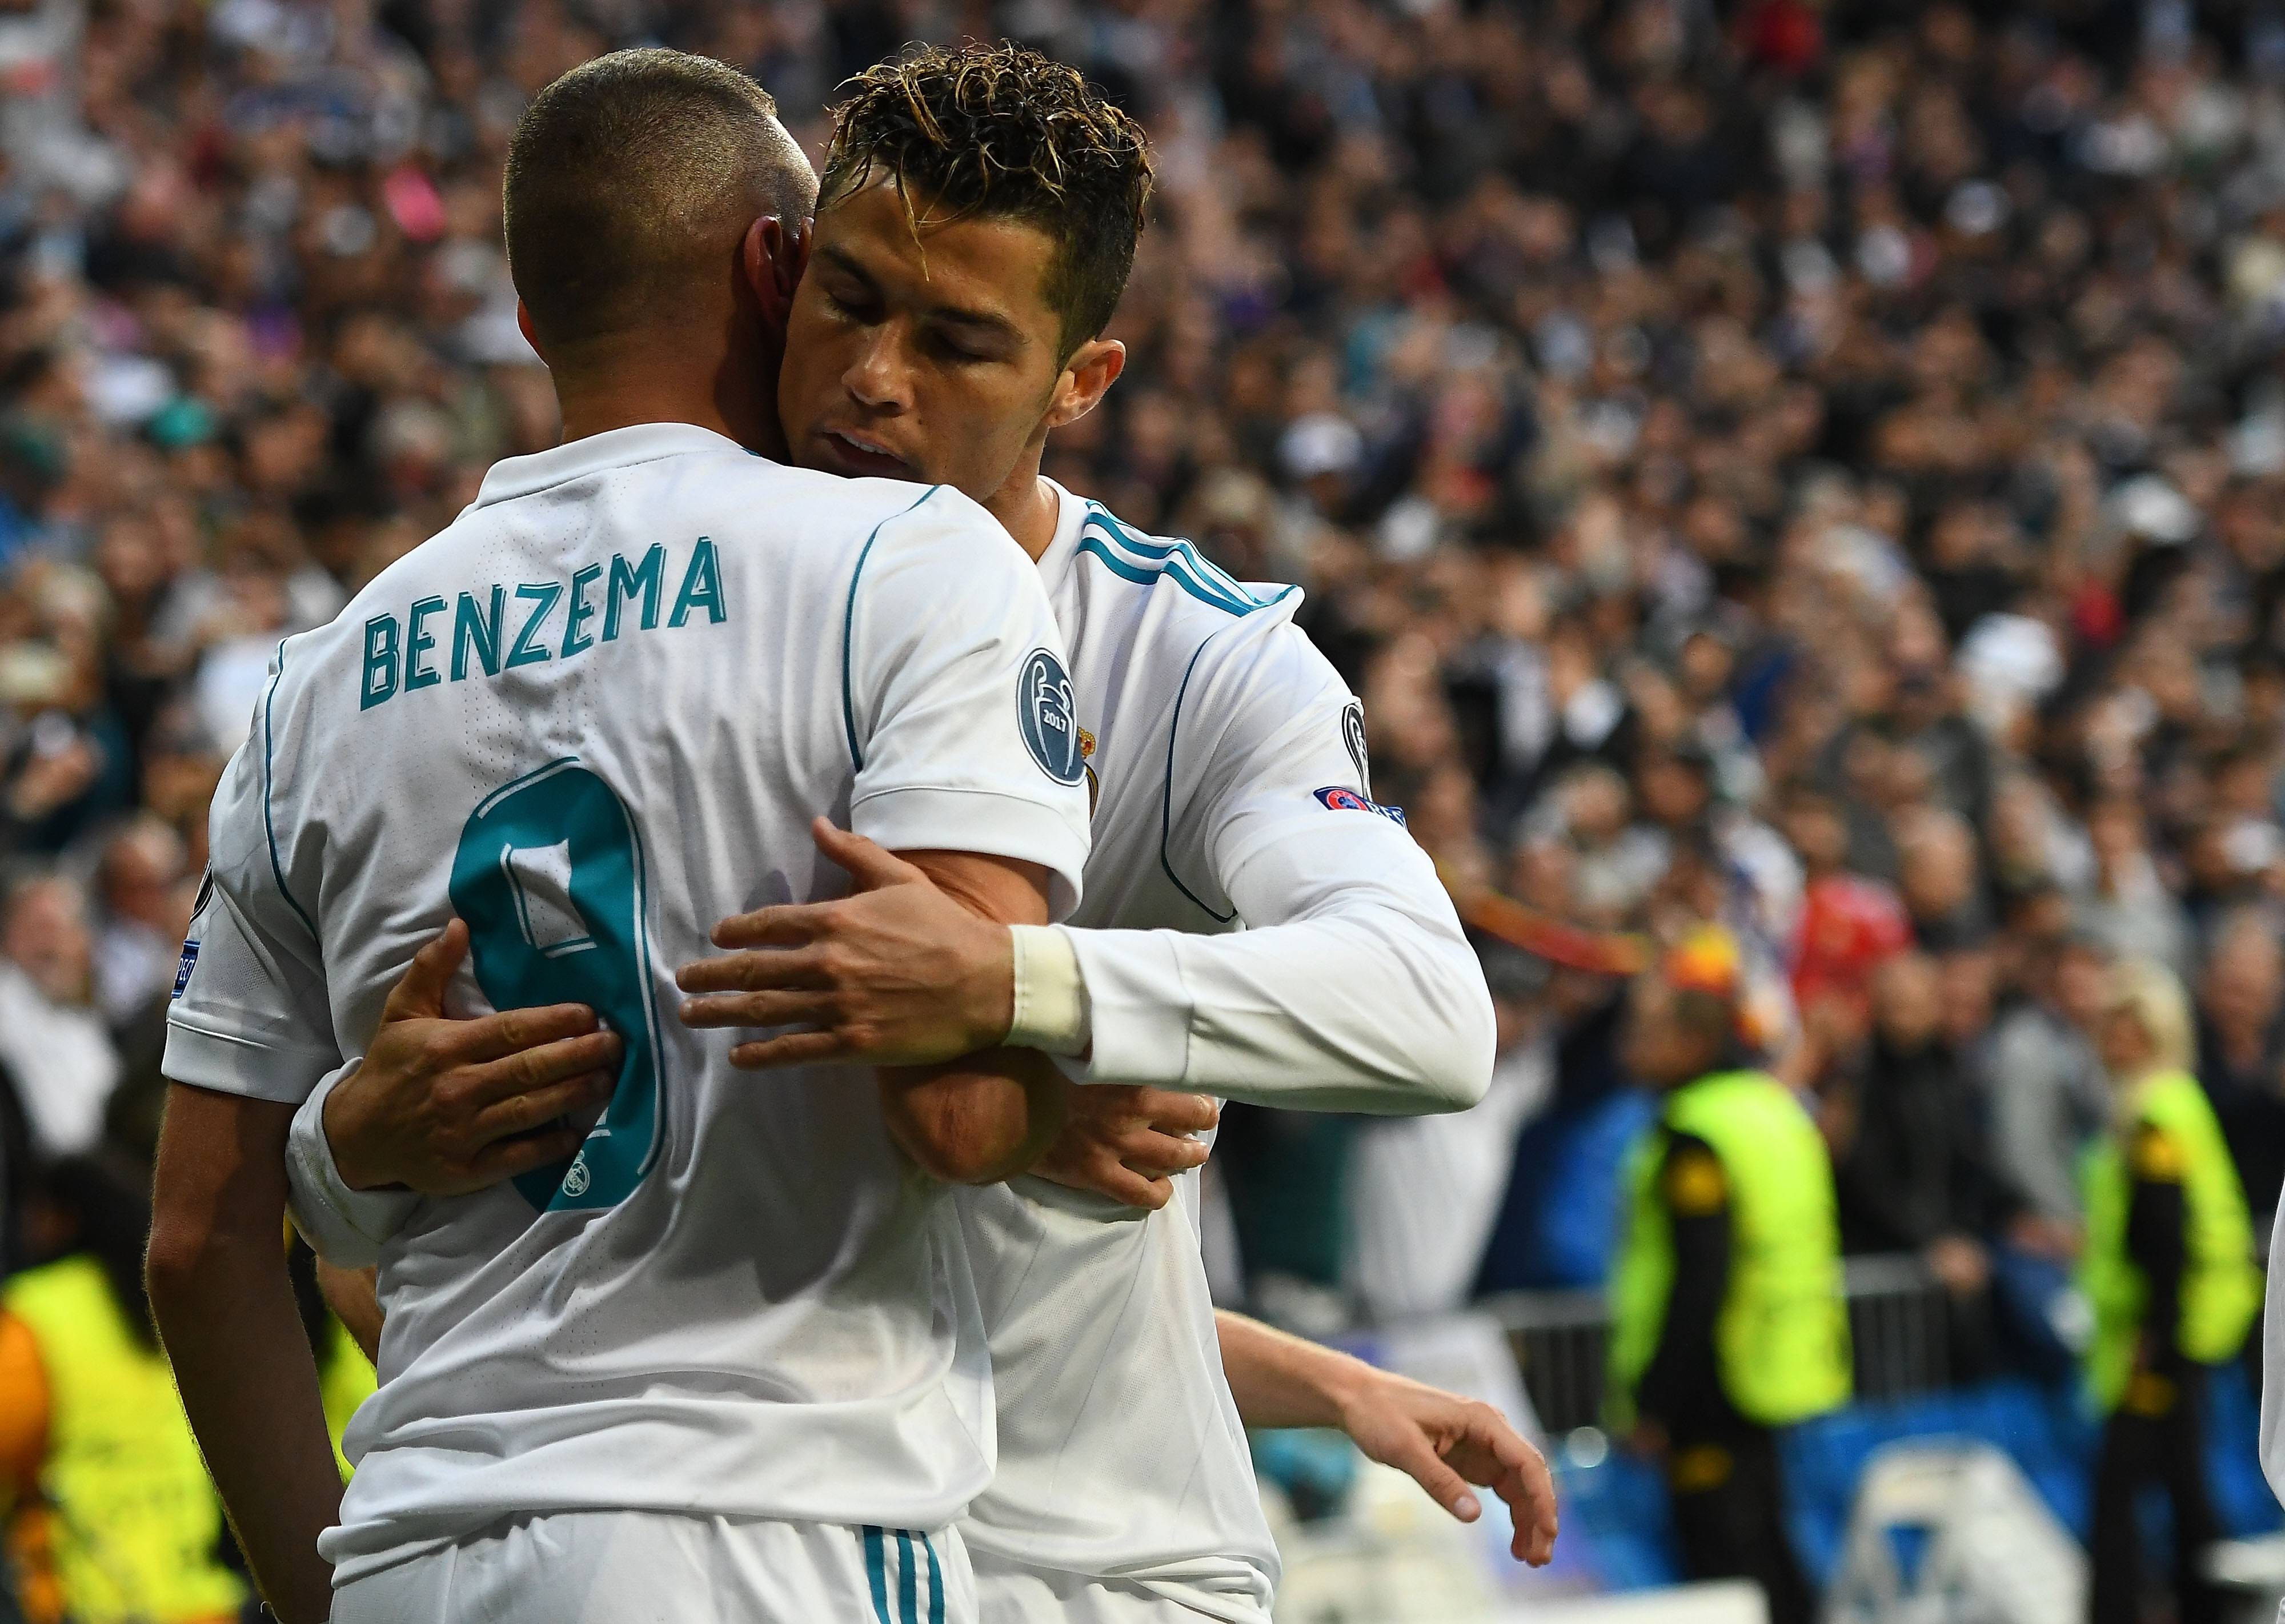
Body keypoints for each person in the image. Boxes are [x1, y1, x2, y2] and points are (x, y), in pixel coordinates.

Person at [283, 42, 1556, 1624]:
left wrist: (1022, 995)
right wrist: (344, 1151)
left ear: (1081, 381)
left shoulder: (1194, 660)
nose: (876, 378)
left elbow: (1427, 1008)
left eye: (956, 342)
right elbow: (560, 1240)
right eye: (850, 301)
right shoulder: (655, 616)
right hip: (791, 1534)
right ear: (782, 273)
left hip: (1098, 1571)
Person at [145, 49, 1093, 1624]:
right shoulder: (911, 559)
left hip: (415, 1539)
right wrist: (1092, 1051)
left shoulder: (314, 683)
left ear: (533, 316)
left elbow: (196, 1242)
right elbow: (964, 1117)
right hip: (767, 1524)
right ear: (777, 267)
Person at [1606, 926, 1848, 1624]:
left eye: (1648, 1033)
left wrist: (1655, 1401)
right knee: (1771, 1551)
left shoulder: (1697, 1132)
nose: (1630, 1048)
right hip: (1775, 1366)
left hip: (1712, 1384)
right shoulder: (1771, 1108)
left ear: (1693, 1041)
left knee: (1724, 1567)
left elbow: (1699, 1276)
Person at [2082, 960, 2259, 1624]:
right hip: (2182, 1322)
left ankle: (2126, 1608)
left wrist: (2151, 1333)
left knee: (2122, 1485)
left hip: (2161, 1329)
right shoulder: (2175, 1100)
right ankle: (2201, 1603)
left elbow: (2164, 1233)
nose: (2111, 1041)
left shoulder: (2154, 1113)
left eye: (2126, 1027)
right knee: (2181, 1478)